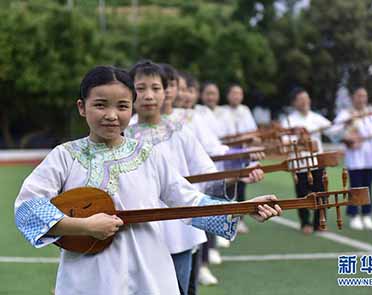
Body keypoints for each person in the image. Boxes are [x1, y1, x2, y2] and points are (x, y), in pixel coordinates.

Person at [14, 65, 282, 295]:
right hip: (89, 274)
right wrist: (83, 226)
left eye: (122, 106)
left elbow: (188, 200)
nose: (111, 115)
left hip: (149, 272)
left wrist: (244, 208)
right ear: (82, 107)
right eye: (100, 105)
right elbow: (27, 207)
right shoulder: (65, 156)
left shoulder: (147, 155)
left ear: (132, 108)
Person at [124, 60, 265, 294]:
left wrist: (237, 177)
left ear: (167, 92)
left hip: (179, 230)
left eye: (156, 88)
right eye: (141, 88)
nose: (149, 95)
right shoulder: (122, 135)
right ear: (129, 91)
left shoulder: (180, 132)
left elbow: (207, 174)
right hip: (136, 234)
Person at [280, 88, 332, 234]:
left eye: (306, 98)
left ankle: (320, 223)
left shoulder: (316, 118)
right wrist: (299, 137)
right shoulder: (289, 121)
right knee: (302, 194)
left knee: (321, 191)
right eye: (301, 99)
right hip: (299, 164)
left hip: (317, 161)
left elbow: (333, 129)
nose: (304, 102)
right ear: (295, 103)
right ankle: (305, 223)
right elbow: (285, 141)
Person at [332, 87, 372, 230]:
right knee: (355, 187)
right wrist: (346, 129)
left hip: (370, 156)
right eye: (359, 96)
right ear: (353, 98)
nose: (362, 99)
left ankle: (366, 214)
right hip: (355, 157)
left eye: (364, 96)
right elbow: (334, 131)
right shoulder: (346, 114)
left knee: (368, 186)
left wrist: (362, 134)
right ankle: (354, 215)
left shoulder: (370, 114)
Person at [221, 84, 258, 233]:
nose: (236, 96)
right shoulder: (222, 111)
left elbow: (252, 132)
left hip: (242, 154)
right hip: (226, 154)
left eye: (239, 94)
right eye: (233, 93)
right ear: (228, 95)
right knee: (225, 186)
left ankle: (240, 220)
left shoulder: (245, 111)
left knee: (241, 186)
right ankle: (223, 218)